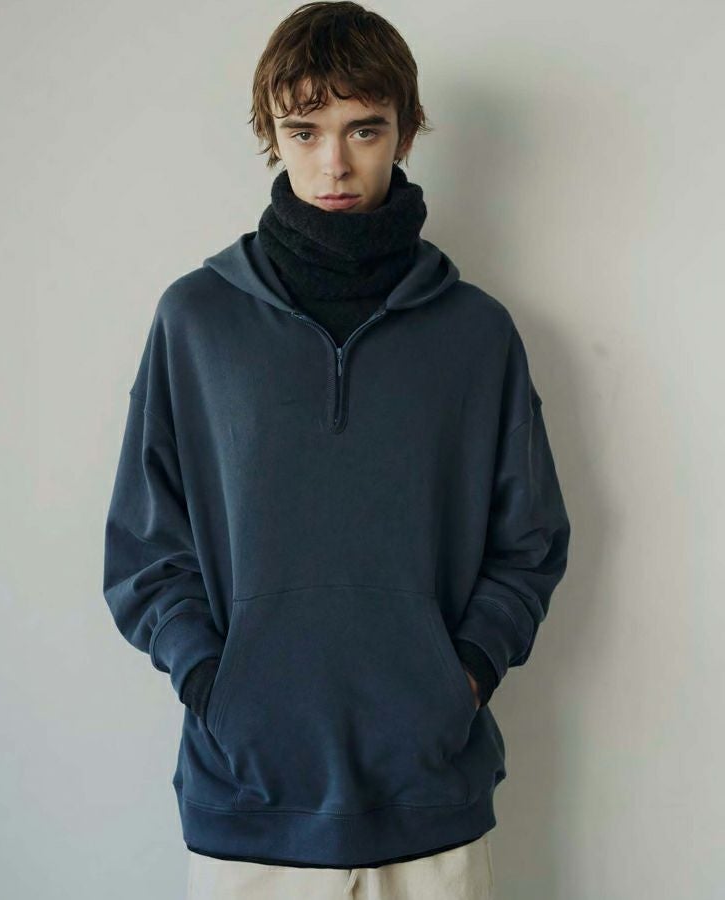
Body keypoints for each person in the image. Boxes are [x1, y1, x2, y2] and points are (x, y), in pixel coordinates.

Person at [102, 2, 571, 897]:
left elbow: (530, 541)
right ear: (271, 136)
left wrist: (463, 681)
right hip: (246, 806)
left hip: (430, 804)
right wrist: (211, 685)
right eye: (304, 130)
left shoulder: (476, 334)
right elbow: (145, 547)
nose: (334, 163)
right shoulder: (197, 321)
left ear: (406, 131)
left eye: (364, 128)